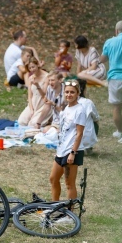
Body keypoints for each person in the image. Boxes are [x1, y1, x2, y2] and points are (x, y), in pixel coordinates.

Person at [48, 79, 86, 216]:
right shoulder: (66, 109)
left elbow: (79, 133)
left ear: (78, 94)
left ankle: (71, 214)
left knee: (69, 183)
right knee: (53, 178)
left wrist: (73, 153)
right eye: (67, 92)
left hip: (72, 151)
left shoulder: (80, 110)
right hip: (61, 150)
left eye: (72, 92)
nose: (69, 94)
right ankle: (55, 207)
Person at [17, 58, 51, 128]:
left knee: (33, 125)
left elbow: (44, 95)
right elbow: (29, 96)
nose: (32, 69)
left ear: (38, 65)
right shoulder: (31, 78)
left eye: (33, 67)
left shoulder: (47, 76)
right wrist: (31, 109)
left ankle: (48, 121)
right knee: (21, 122)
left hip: (43, 105)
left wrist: (37, 85)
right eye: (30, 68)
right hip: (33, 104)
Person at [76, 79, 100, 155]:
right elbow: (96, 118)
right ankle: (87, 146)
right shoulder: (88, 102)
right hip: (83, 135)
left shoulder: (69, 103)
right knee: (95, 123)